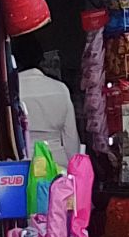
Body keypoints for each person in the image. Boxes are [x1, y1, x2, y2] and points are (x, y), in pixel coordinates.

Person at [12, 33, 80, 170]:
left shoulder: (12, 90)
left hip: (24, 165)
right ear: (41, 58)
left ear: (14, 60)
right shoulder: (60, 89)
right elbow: (71, 138)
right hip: (57, 165)